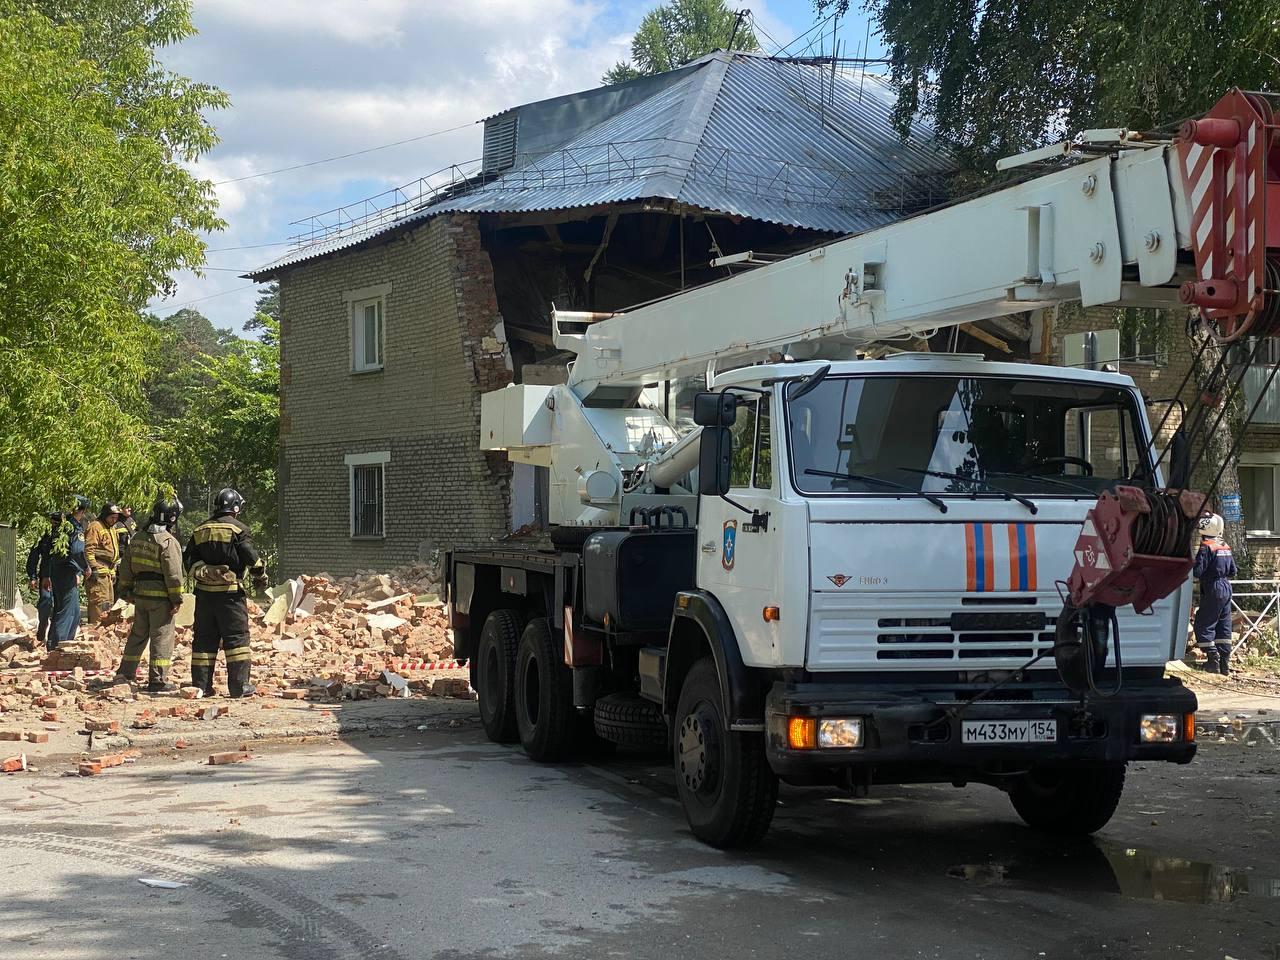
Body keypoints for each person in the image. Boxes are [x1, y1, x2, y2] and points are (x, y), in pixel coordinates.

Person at [183, 488, 268, 697]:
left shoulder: (199, 529)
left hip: (204, 596)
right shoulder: (239, 529)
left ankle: (201, 686)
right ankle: (239, 687)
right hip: (230, 595)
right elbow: (252, 558)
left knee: (204, 639)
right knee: (236, 639)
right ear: (235, 508)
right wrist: (260, 576)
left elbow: (188, 561)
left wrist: (205, 570)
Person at [114, 496, 185, 692]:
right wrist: (176, 599)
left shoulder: (136, 538)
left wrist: (125, 590)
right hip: (161, 600)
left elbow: (126, 568)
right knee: (162, 637)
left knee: (137, 635)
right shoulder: (168, 542)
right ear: (172, 518)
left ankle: (125, 673)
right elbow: (173, 574)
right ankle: (158, 680)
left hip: (140, 597)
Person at [1193, 513, 1238, 676]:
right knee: (1224, 624)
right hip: (1226, 587)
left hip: (1213, 587)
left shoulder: (1206, 547)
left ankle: (1213, 659)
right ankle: (1225, 664)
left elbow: (1197, 571)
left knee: (1203, 622)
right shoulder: (1225, 545)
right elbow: (1233, 570)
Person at [49, 496, 90, 648]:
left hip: (58, 571)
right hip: (67, 573)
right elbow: (77, 551)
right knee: (69, 613)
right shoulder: (74, 527)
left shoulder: (61, 525)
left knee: (64, 610)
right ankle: (60, 648)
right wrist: (85, 568)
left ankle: (54, 644)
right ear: (82, 511)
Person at [24, 512, 60, 649]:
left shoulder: (68, 534)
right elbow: (34, 556)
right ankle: (41, 631)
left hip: (62, 577)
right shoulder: (44, 535)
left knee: (59, 608)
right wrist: (32, 576)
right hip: (46, 577)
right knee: (45, 604)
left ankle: (53, 640)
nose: (54, 525)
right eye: (53, 522)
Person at [83, 503, 121, 624]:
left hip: (108, 573)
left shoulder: (112, 528)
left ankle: (104, 634)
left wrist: (113, 571)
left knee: (108, 605)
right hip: (98, 573)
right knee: (99, 604)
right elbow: (88, 550)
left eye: (116, 518)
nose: (114, 520)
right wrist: (93, 567)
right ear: (105, 515)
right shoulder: (95, 527)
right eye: (112, 518)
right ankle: (94, 631)